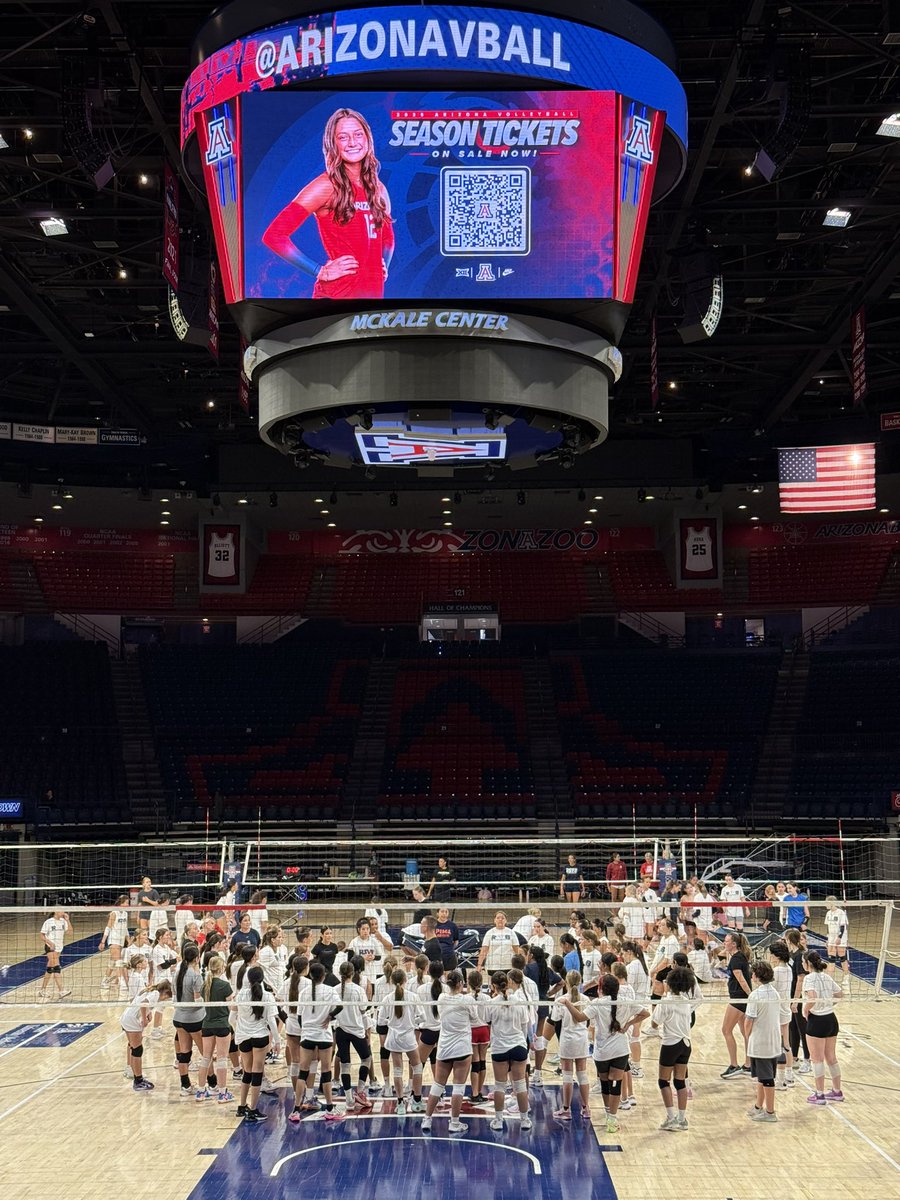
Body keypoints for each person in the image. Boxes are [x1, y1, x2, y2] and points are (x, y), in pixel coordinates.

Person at [261, 107, 394, 300]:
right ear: (333, 143)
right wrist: (319, 271)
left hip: (371, 297)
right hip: (335, 297)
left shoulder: (378, 189)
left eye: (358, 134)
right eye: (343, 137)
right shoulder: (326, 186)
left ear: (368, 139)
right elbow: (274, 235)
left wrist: (384, 265)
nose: (352, 142)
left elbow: (388, 238)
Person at [570, 973, 648, 1136]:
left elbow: (579, 1018)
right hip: (620, 1050)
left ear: (600, 988)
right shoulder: (625, 1001)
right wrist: (629, 1024)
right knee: (615, 1085)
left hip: (602, 1052)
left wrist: (567, 1004)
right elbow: (645, 1013)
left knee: (605, 1084)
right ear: (617, 988)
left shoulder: (597, 1004)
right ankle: (612, 1119)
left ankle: (608, 1114)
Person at [421, 969, 477, 1134]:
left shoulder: (441, 998)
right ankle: (454, 1123)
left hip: (445, 1048)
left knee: (438, 1084)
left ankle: (427, 1119)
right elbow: (474, 1018)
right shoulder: (467, 1000)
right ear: (460, 984)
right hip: (462, 1048)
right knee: (458, 1086)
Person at [484, 971, 533, 1131]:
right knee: (520, 1085)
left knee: (500, 1086)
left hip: (500, 1048)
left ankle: (498, 1121)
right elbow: (525, 1027)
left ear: (493, 986)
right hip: (518, 1046)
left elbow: (487, 1022)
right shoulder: (519, 1002)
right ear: (508, 983)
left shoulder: (491, 1003)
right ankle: (524, 1120)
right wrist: (523, 1045)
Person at [653, 966, 700, 1131]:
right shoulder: (686, 1001)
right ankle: (682, 1120)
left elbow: (654, 1023)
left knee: (663, 1081)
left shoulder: (665, 1002)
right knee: (680, 1082)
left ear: (670, 983)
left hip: (670, 1044)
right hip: (686, 1044)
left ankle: (671, 1118)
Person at [235, 964, 281, 1122]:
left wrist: (238, 1029)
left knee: (247, 1072)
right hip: (260, 1036)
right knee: (257, 1072)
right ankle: (253, 1110)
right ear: (262, 979)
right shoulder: (267, 996)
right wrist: (277, 1040)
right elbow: (272, 1021)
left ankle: (242, 1106)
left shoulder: (241, 995)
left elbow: (232, 1016)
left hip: (243, 1037)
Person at [379, 967, 424, 1115]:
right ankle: (417, 1101)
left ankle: (400, 1104)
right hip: (409, 1037)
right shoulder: (413, 997)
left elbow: (380, 1021)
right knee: (417, 1068)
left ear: (392, 981)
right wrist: (412, 1022)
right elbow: (423, 1017)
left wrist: (392, 1024)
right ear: (406, 980)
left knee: (398, 1070)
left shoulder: (387, 999)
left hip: (394, 1038)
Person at [802, 950, 844, 1104]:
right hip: (831, 1019)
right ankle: (837, 1092)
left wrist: (806, 1009)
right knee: (831, 1057)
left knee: (817, 1059)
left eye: (803, 961)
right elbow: (840, 994)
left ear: (808, 963)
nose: (802, 964)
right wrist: (828, 1004)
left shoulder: (809, 978)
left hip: (817, 1020)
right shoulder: (826, 976)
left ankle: (819, 1095)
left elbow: (812, 998)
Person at [334, 959, 374, 1113]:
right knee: (367, 1058)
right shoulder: (358, 990)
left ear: (340, 973)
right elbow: (363, 1009)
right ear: (352, 973)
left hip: (341, 1030)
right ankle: (360, 1091)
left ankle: (349, 1100)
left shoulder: (335, 989)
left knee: (345, 1064)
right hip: (356, 1030)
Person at [744, 961, 782, 1123]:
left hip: (761, 1043)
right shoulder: (775, 993)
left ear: (757, 976)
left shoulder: (755, 996)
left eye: (753, 973)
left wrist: (747, 1036)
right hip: (773, 1041)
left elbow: (748, 1021)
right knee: (762, 1077)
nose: (751, 975)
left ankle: (770, 1112)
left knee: (767, 1079)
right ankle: (758, 1107)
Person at [553, 970, 592, 1122]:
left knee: (567, 1075)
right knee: (582, 1074)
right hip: (582, 1039)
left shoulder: (561, 1000)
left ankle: (566, 1110)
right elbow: (588, 1020)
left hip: (567, 1040)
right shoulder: (586, 999)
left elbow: (555, 1019)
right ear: (580, 981)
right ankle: (586, 1108)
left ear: (566, 982)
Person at [121, 978, 173, 1091]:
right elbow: (143, 1004)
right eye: (166, 996)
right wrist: (144, 1019)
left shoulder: (150, 991)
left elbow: (143, 1004)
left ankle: (133, 1073)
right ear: (164, 992)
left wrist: (148, 1013)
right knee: (137, 1050)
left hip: (126, 1017)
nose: (165, 999)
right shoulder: (155, 994)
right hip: (132, 1020)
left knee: (133, 1046)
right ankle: (138, 1081)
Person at [196, 954, 235, 1105]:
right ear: (221, 968)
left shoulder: (205, 985)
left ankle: (201, 1091)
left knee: (206, 1058)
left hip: (207, 1025)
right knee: (222, 1059)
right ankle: (222, 1093)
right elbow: (231, 1007)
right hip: (222, 1025)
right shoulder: (225, 985)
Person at [173, 943, 206, 1099]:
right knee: (205, 1053)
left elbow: (175, 997)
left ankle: (185, 1086)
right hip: (193, 1020)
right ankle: (213, 1084)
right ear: (197, 958)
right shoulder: (195, 976)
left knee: (184, 1054)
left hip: (178, 1018)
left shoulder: (177, 974)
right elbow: (197, 1001)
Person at [719, 931, 752, 1078]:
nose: (724, 943)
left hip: (738, 999)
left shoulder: (736, 959)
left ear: (733, 944)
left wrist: (751, 996)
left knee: (726, 1030)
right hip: (742, 999)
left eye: (726, 941)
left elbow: (742, 980)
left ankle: (734, 1065)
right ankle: (749, 1065)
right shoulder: (739, 956)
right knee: (746, 1033)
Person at [785, 927, 811, 1073]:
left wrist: (796, 1000)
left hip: (800, 997)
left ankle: (808, 1060)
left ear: (789, 940)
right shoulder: (791, 954)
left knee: (803, 1029)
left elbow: (801, 979)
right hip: (791, 995)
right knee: (792, 1027)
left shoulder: (800, 955)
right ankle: (794, 1058)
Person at [769, 941, 795, 1089]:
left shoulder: (777, 970)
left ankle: (780, 1080)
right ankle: (789, 1076)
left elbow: (770, 989)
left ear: (776, 955)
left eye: (771, 954)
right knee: (786, 1044)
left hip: (777, 1010)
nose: (770, 956)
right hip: (786, 1008)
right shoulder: (789, 968)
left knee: (778, 1045)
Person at [99, 895, 131, 995]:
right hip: (113, 940)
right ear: (121, 903)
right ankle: (122, 984)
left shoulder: (125, 913)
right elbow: (108, 927)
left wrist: (128, 939)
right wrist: (103, 941)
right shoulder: (114, 913)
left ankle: (104, 981)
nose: (128, 905)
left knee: (112, 963)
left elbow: (125, 928)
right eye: (126, 903)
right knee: (119, 962)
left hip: (121, 941)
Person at [38, 908, 71, 1001]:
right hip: (50, 947)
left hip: (59, 948)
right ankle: (61, 991)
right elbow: (41, 935)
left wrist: (68, 920)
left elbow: (70, 932)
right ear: (56, 912)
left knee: (50, 969)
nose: (63, 912)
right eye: (61, 911)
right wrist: (50, 943)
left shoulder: (63, 921)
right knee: (56, 967)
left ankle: (42, 990)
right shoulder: (49, 922)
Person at [348, 917, 383, 985]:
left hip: (371, 974)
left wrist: (373, 957)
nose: (366, 931)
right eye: (363, 929)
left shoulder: (374, 941)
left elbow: (379, 957)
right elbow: (349, 960)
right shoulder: (354, 942)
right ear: (359, 930)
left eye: (367, 929)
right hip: (359, 974)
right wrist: (362, 958)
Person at [824, 895, 850, 979]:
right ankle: (829, 978)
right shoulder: (828, 913)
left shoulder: (841, 912)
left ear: (831, 903)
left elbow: (843, 927)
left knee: (842, 957)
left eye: (826, 903)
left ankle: (846, 976)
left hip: (841, 938)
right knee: (831, 958)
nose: (825, 904)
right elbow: (827, 927)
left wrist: (839, 937)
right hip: (831, 938)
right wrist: (827, 939)